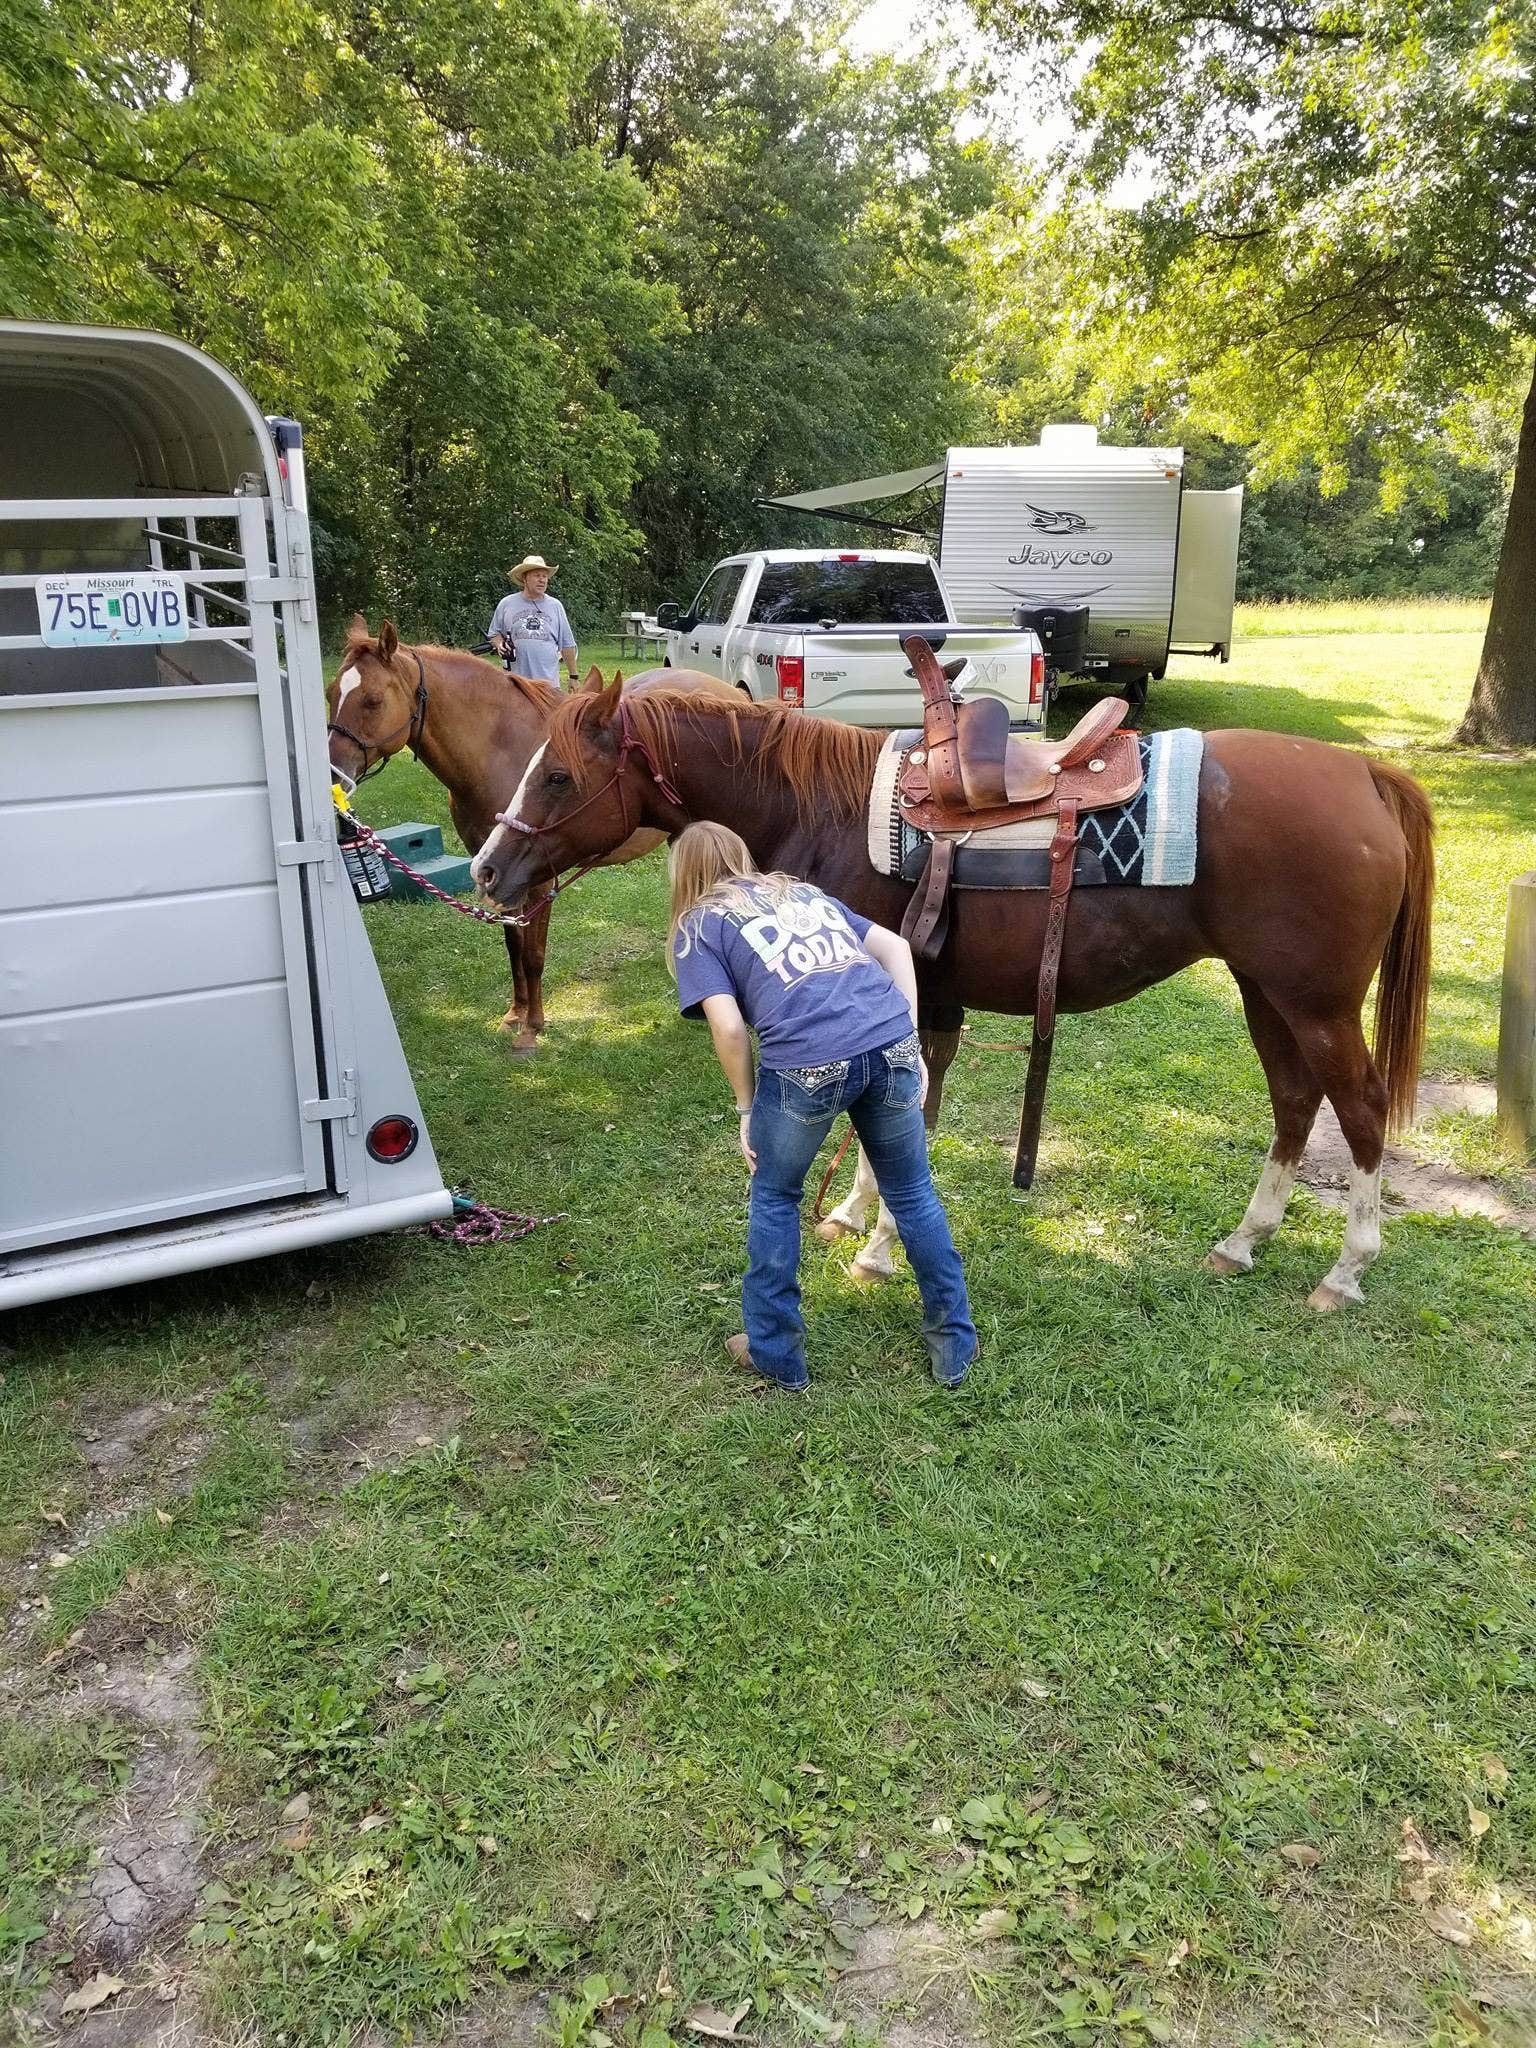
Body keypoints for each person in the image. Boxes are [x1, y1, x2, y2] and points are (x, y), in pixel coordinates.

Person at [669, 821, 977, 1392]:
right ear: (742, 854)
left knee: (776, 1196)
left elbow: (730, 1025)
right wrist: (904, 1032)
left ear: (681, 875)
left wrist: (745, 1109)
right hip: (890, 1047)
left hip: (806, 1067)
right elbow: (892, 945)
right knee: (912, 1192)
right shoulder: (799, 891)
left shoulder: (698, 925)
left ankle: (775, 1353)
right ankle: (955, 1342)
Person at [488, 555, 579, 685]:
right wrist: (499, 644)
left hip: (547, 686)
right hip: (515, 685)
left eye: (544, 576)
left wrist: (573, 676)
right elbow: (494, 633)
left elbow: (567, 644)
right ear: (524, 578)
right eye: (537, 575)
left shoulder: (555, 606)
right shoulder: (507, 604)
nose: (542, 580)